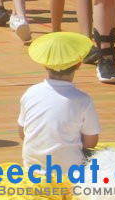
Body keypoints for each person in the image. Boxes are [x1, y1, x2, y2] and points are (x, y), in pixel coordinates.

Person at [18, 32, 99, 170]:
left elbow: (22, 132)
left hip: (32, 166)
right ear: (79, 64)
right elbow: (91, 142)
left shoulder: (31, 92)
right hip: (69, 168)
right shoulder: (83, 100)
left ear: (45, 64)